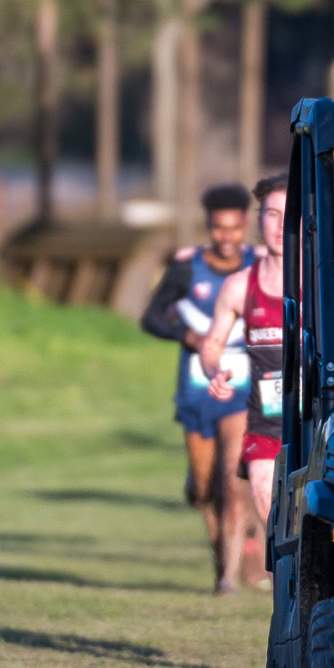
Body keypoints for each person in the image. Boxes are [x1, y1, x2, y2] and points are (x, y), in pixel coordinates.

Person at [139, 183, 257, 592]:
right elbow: (151, 319)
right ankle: (219, 557)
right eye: (219, 229)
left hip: (242, 389)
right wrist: (187, 337)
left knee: (232, 481)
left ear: (245, 225)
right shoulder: (187, 268)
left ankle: (230, 578)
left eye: (235, 228)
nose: (227, 237)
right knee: (204, 489)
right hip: (195, 391)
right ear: (209, 226)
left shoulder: (258, 267)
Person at [201, 174, 288, 594]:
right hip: (267, 416)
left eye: (289, 216)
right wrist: (213, 370)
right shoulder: (240, 287)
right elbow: (211, 345)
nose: (279, 224)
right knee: (263, 493)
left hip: (322, 416)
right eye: (271, 214)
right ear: (260, 221)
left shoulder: (329, 282)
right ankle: (284, 578)